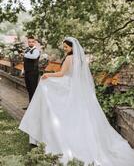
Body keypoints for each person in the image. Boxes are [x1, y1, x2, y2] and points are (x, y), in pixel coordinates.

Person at [19, 37, 134, 166]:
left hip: (68, 84)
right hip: (75, 86)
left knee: (45, 87)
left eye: (66, 47)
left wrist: (48, 75)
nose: (64, 49)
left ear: (72, 47)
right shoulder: (79, 58)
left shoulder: (69, 58)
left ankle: (46, 131)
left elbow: (62, 73)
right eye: (63, 47)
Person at [22, 36, 40, 106]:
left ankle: (34, 107)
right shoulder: (27, 50)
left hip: (33, 73)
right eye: (29, 42)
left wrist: (24, 54)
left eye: (32, 42)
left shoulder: (36, 50)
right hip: (27, 72)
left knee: (33, 90)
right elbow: (25, 61)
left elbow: (34, 57)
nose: (31, 43)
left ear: (34, 42)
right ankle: (30, 106)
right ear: (28, 42)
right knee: (29, 90)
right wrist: (23, 70)